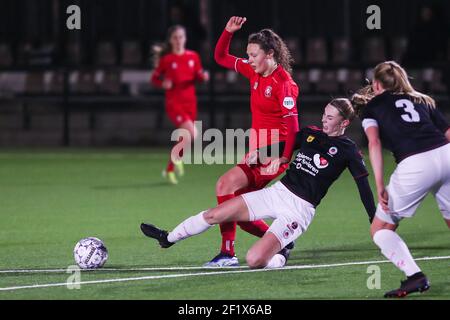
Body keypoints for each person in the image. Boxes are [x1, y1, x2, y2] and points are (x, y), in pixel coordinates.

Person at [140, 98, 376, 270]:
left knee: (255, 260)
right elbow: (285, 145)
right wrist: (261, 154)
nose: (324, 120)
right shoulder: (309, 134)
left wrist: (373, 218)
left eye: (330, 117)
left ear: (344, 123)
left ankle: (282, 253)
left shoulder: (349, 151)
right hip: (277, 193)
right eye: (324, 114)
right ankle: (167, 238)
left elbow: (363, 186)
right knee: (215, 215)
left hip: (299, 209)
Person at [203, 16, 300, 267]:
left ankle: (227, 253)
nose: (249, 59)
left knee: (225, 186)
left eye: (254, 54)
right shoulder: (252, 71)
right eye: (247, 54)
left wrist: (281, 159)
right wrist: (227, 31)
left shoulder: (284, 85)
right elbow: (220, 57)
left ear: (269, 54)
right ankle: (282, 241)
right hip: (257, 152)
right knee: (240, 211)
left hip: (273, 155)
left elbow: (293, 130)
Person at [354, 61, 450, 298]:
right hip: (446, 155)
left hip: (416, 164)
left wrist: (379, 185)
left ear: (376, 84)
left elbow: (374, 143)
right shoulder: (421, 99)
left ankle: (415, 277)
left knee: (380, 229)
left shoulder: (373, 106)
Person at [151, 25, 209, 184]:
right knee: (192, 133)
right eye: (175, 37)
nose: (178, 40)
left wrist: (203, 77)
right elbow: (155, 78)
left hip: (190, 102)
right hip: (174, 102)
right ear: (170, 40)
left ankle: (169, 169)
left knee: (186, 136)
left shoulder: (193, 56)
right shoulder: (167, 60)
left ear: (185, 39)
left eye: (181, 37)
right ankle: (177, 160)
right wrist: (163, 83)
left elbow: (198, 75)